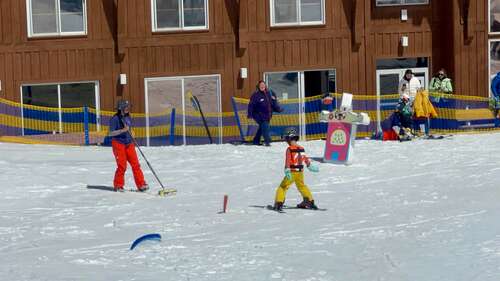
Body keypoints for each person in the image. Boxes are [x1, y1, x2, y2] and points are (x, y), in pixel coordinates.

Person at [271, 127, 319, 211]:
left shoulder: (290, 149)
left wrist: (287, 170)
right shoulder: (301, 148)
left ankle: (278, 203)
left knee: (283, 187)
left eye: (286, 139)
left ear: (288, 139)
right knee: (302, 186)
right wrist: (310, 166)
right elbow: (305, 158)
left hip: (292, 172)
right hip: (300, 172)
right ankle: (309, 201)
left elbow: (288, 160)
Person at [108, 100, 148, 192]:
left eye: (128, 107)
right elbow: (110, 133)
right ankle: (118, 185)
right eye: (125, 107)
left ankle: (141, 184)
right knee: (122, 166)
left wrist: (132, 132)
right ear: (120, 108)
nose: (127, 109)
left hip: (129, 143)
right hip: (118, 143)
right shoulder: (115, 119)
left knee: (136, 164)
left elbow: (130, 128)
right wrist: (122, 130)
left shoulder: (128, 116)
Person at [247, 81, 282, 146]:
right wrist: (250, 114)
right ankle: (267, 141)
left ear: (265, 86)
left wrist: (278, 109)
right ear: (258, 86)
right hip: (258, 115)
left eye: (263, 85)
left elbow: (272, 104)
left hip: (267, 115)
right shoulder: (256, 95)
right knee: (265, 127)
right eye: (261, 85)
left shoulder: (269, 94)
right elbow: (251, 105)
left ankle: (256, 141)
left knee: (262, 127)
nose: (262, 86)